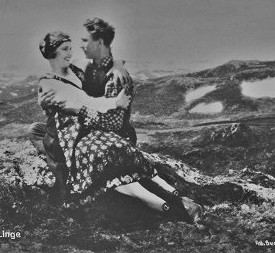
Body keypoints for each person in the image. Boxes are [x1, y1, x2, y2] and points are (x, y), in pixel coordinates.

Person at [34, 30, 202, 223]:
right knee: (103, 153)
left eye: (70, 48)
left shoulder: (75, 71)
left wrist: (117, 67)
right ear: (52, 52)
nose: (70, 53)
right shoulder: (49, 83)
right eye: (64, 49)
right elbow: (86, 102)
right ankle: (159, 204)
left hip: (87, 128)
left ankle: (168, 195)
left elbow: (95, 85)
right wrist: (115, 103)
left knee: (120, 147)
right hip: (68, 137)